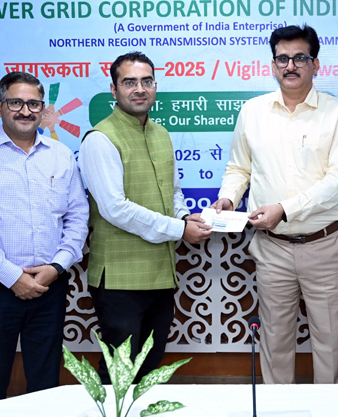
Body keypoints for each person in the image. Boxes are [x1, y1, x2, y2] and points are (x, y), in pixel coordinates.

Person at [212, 24, 338, 384]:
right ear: (273, 64)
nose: (290, 65)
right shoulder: (252, 111)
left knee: (332, 345)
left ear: (315, 63)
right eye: (283, 58)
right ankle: (278, 407)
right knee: (274, 342)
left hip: (324, 245)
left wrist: (285, 209)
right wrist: (229, 196)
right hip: (272, 247)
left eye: (300, 58)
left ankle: (333, 410)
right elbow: (239, 167)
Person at [0, 71, 88, 404]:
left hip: (49, 286)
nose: (25, 111)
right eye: (16, 103)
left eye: (33, 104)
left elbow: (78, 217)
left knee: (46, 384)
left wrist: (57, 266)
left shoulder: (61, 155)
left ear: (43, 109)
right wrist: (11, 276)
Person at [78, 51, 211, 383]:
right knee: (119, 373)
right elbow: (115, 209)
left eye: (146, 81)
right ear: (114, 89)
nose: (139, 89)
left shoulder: (161, 134)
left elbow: (172, 191)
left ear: (155, 85)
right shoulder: (100, 139)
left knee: (150, 369)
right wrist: (179, 229)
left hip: (160, 274)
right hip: (119, 279)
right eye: (129, 82)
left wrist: (185, 217)